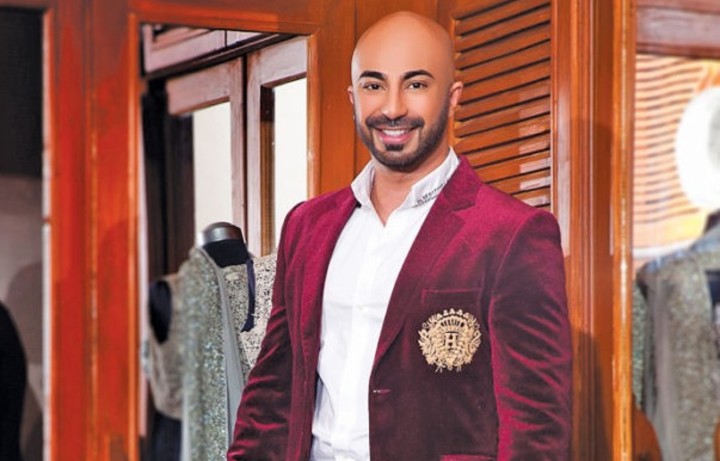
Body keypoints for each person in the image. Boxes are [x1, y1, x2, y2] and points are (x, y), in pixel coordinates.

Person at [228, 11, 571, 461]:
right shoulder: (306, 226)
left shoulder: (513, 234)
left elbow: (537, 429)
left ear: (453, 97)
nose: (392, 108)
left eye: (416, 84)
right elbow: (272, 389)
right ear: (353, 97)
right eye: (374, 85)